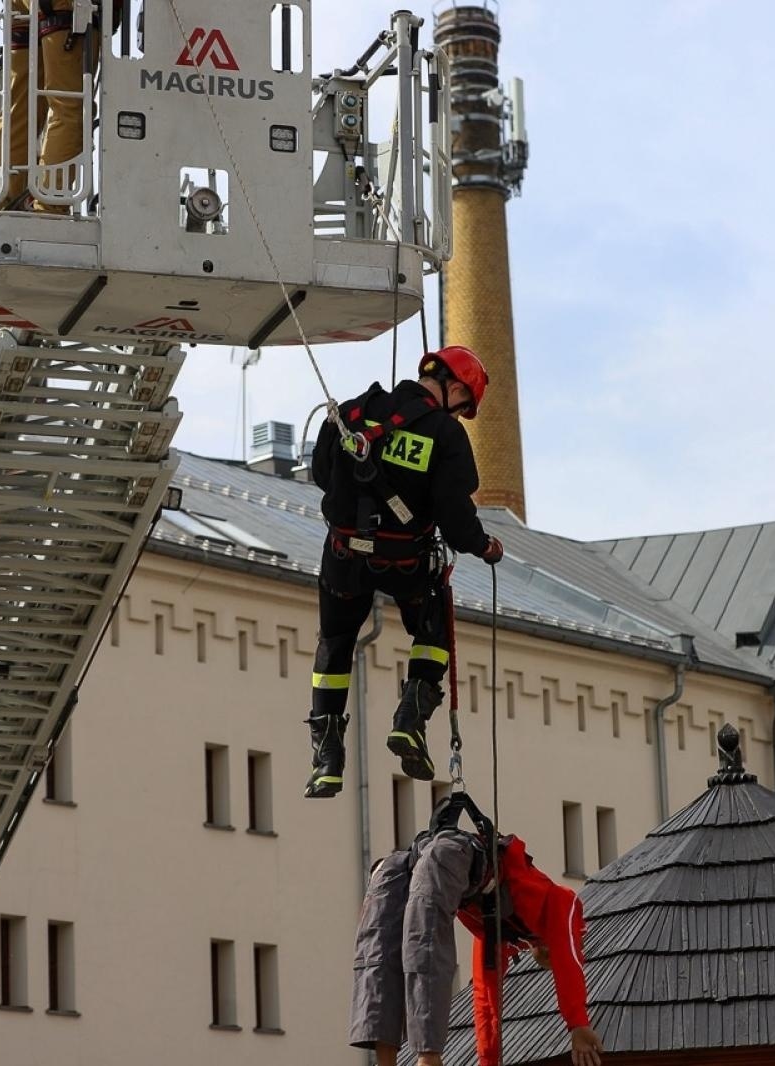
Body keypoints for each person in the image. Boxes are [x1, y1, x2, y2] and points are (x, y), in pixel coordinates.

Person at [304, 346, 505, 799]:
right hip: (405, 562)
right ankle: (410, 722)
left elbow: (321, 473)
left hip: (344, 557)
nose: (459, 415)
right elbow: (455, 518)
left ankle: (327, 759)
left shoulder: (354, 411)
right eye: (463, 406)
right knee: (433, 631)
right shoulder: (445, 436)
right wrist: (483, 546)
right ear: (455, 388)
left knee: (334, 646)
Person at [349, 812, 604, 1066]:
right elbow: (569, 961)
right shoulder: (563, 902)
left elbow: (486, 996)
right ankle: (427, 1058)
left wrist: (488, 1061)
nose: (549, 959)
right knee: (424, 942)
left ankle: (386, 1060)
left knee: (379, 950)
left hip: (412, 861)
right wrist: (578, 1023)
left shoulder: (498, 928)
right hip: (447, 857)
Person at [0, 0, 93, 213]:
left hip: (21, 6)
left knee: (17, 109)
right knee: (69, 105)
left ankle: (1, 201)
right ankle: (49, 205)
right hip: (65, 6)